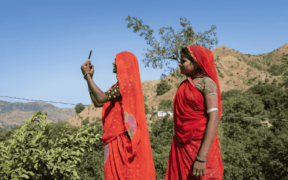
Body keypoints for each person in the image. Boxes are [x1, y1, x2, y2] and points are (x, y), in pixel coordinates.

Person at [80, 51, 156, 180]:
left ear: (125, 64)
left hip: (122, 140)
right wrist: (90, 79)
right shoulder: (119, 85)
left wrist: (87, 75)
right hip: (115, 139)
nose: (113, 63)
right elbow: (98, 102)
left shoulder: (127, 84)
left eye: (116, 60)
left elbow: (101, 97)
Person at [165, 45, 224, 180]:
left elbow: (214, 119)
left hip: (201, 145)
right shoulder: (185, 85)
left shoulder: (207, 84)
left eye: (183, 60)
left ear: (195, 62)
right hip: (182, 145)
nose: (180, 64)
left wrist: (202, 158)